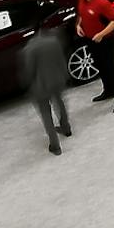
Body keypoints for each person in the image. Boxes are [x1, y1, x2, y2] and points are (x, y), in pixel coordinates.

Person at [21, 20, 71, 155]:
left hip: (41, 85)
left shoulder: (29, 48)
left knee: (46, 113)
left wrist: (27, 84)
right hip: (57, 79)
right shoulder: (53, 41)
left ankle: (55, 145)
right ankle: (66, 128)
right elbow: (61, 60)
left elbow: (30, 70)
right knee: (59, 102)